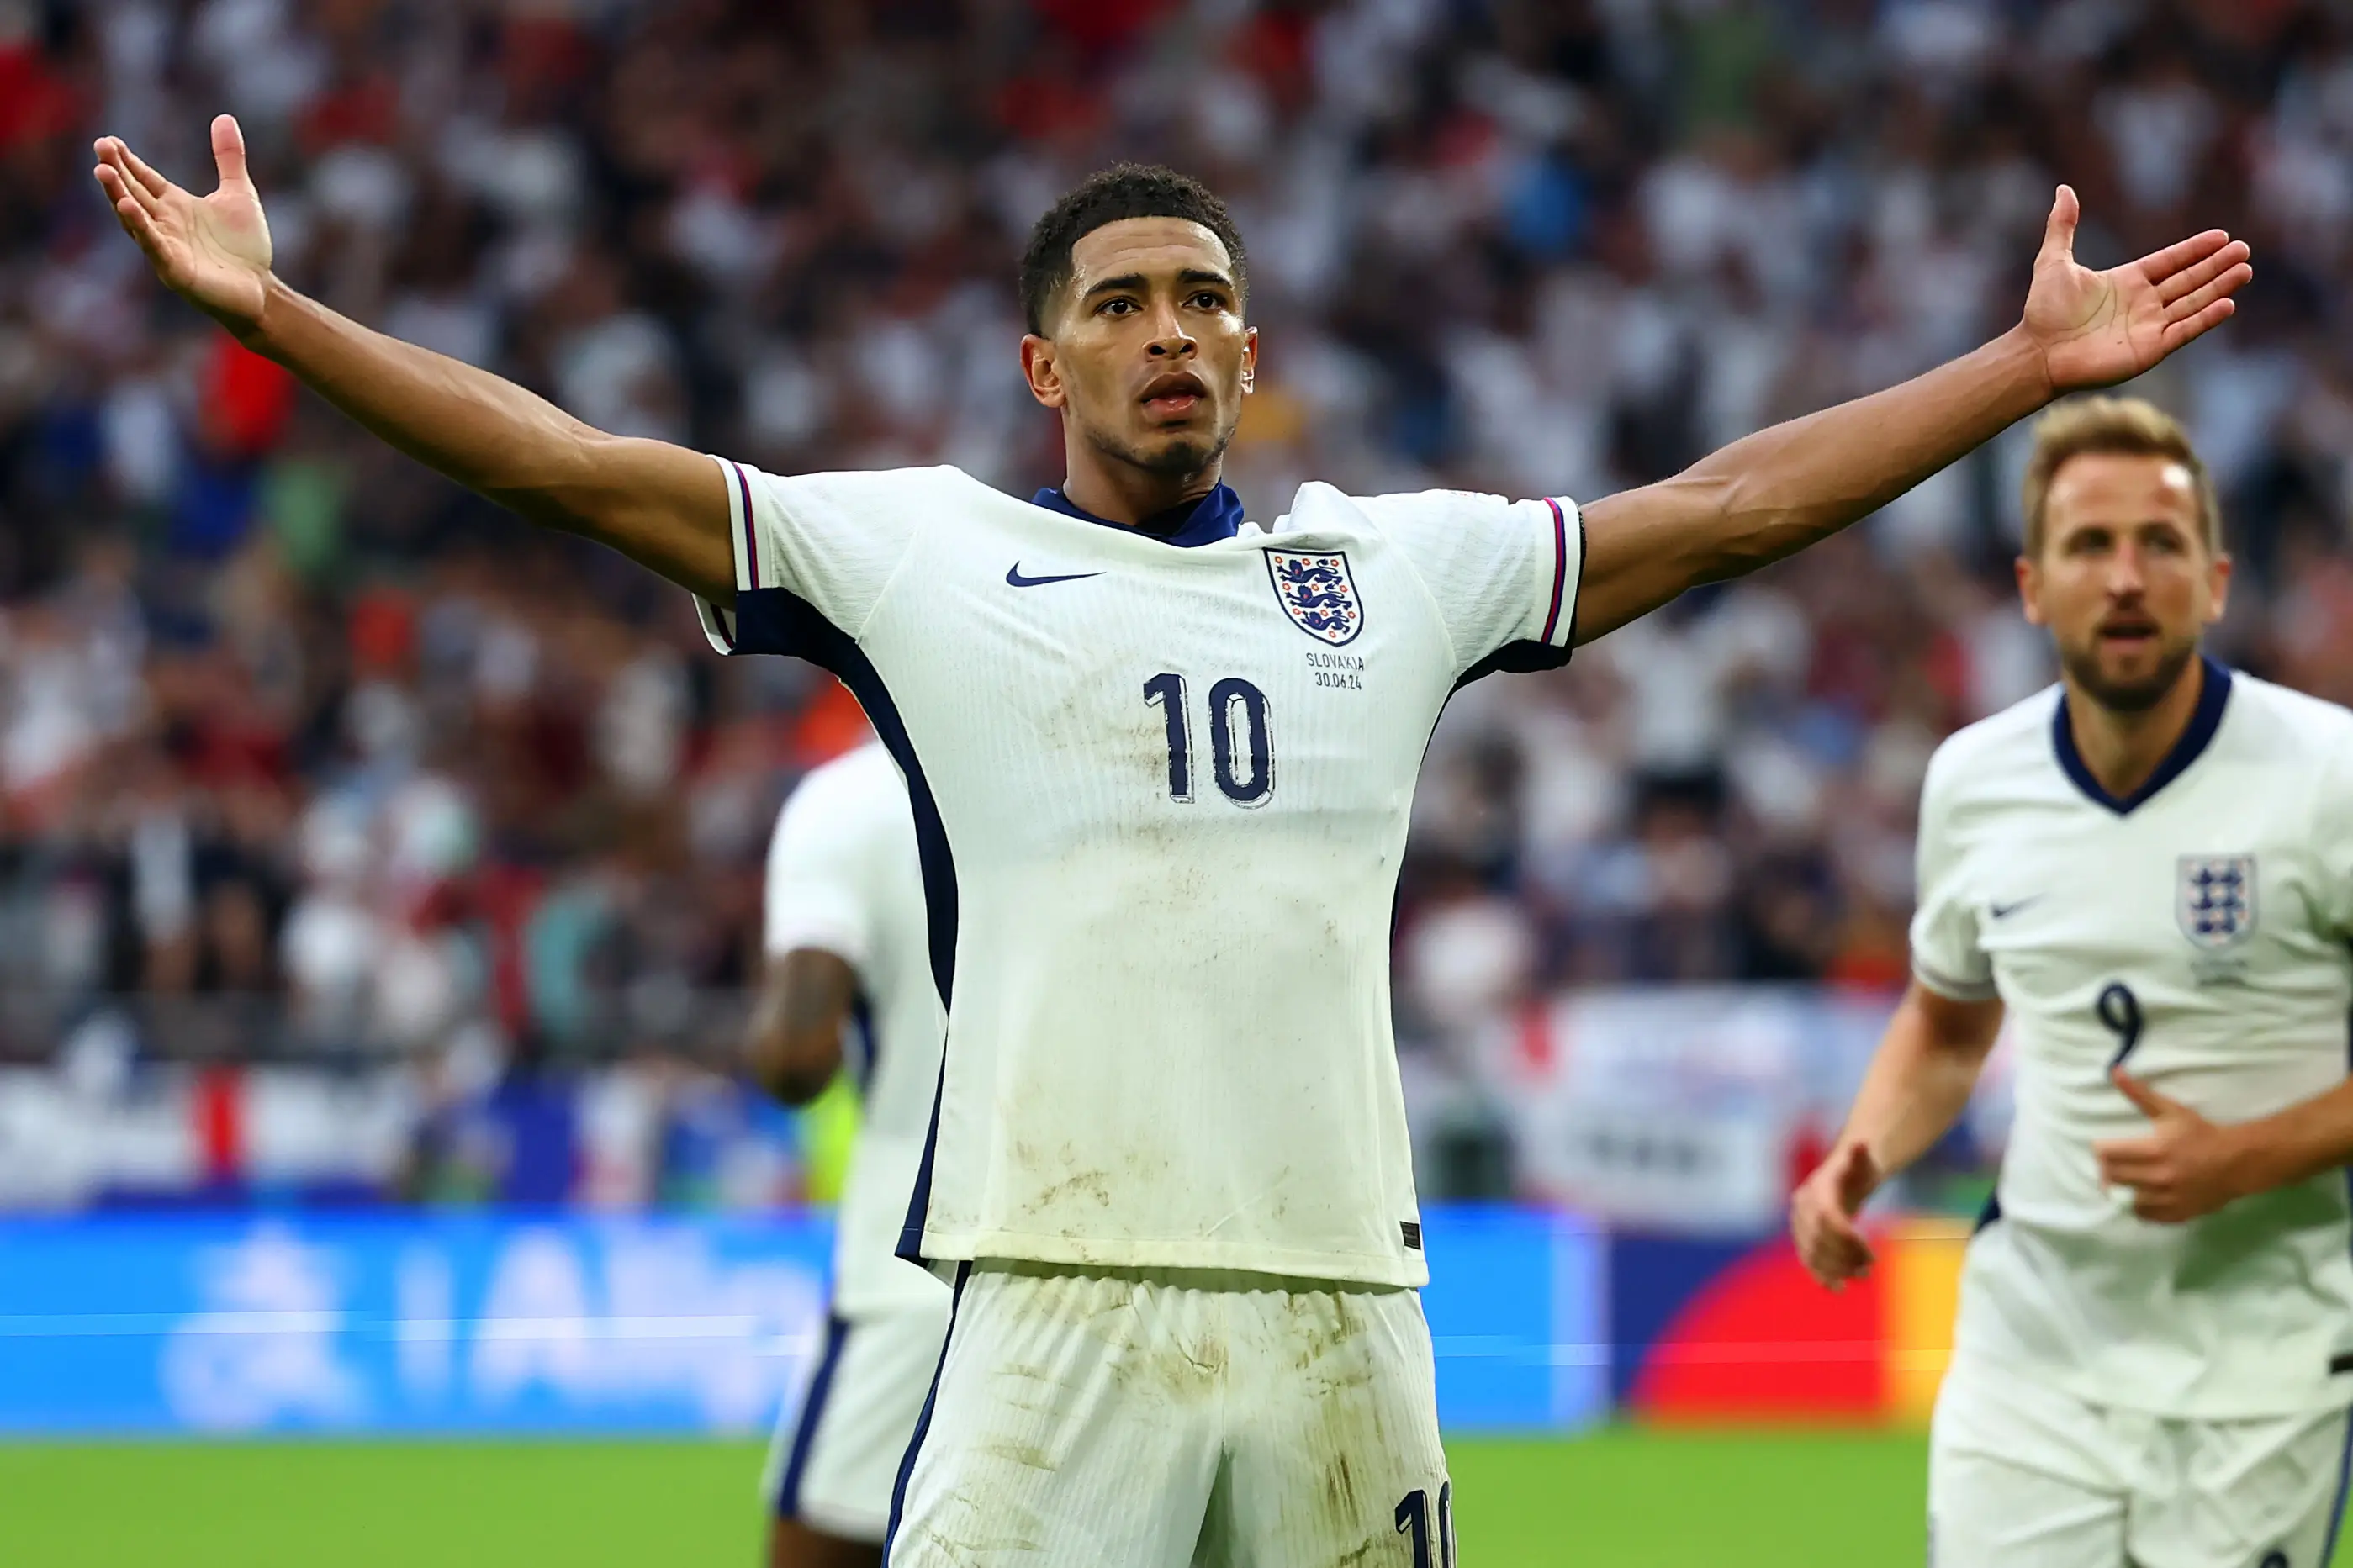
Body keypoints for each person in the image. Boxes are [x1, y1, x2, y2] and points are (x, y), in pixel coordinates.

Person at [95, 115, 2249, 1565]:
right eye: (1119, 303)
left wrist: (2012, 369)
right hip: (1046, 1304)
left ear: (1250, 349)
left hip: (1338, 1305)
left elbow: (1726, 505)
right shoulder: (917, 558)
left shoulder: (1388, 571)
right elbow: (568, 463)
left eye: (1199, 300)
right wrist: (282, 322)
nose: (1166, 334)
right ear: (1044, 357)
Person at [1790, 398, 2353, 1567]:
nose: (2126, 576)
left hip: (2265, 1366)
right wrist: (1862, 1151)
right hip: (2030, 1358)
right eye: (2088, 546)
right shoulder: (1972, 781)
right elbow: (1946, 1028)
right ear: (2032, 585)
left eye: (2159, 543)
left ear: (2216, 579)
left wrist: (2241, 1157)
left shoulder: (2326, 777)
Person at [748, 741, 950, 1568]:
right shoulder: (1094, 771)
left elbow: (798, 1057)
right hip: (1121, 1251)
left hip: (918, 1249)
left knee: (822, 1535)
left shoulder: (850, 802)